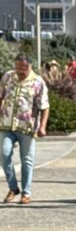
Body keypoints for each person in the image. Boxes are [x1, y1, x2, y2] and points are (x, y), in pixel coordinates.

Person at [0, 52, 49, 205]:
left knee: (27, 160)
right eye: (18, 68)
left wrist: (42, 126)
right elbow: (1, 96)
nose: (20, 71)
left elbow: (45, 106)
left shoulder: (38, 82)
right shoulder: (8, 77)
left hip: (27, 127)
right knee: (4, 154)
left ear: (30, 66)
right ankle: (13, 188)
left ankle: (26, 193)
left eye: (24, 68)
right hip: (7, 124)